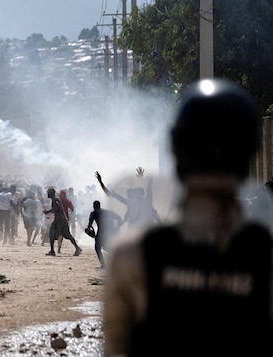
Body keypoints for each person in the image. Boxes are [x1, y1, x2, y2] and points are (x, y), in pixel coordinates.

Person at [103, 78, 273, 357]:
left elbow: (116, 349)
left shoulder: (131, 255)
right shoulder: (265, 256)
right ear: (247, 154)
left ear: (176, 151)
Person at [43, 187, 82, 257]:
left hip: (59, 220)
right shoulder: (55, 199)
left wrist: (48, 211)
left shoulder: (55, 200)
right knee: (67, 235)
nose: (47, 194)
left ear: (51, 193)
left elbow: (57, 207)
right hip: (62, 220)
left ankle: (52, 251)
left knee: (52, 234)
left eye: (48, 193)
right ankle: (77, 248)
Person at [86, 200, 122, 269]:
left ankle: (104, 264)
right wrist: (116, 228)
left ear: (93, 206)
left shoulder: (93, 213)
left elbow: (89, 225)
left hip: (101, 232)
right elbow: (119, 218)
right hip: (108, 232)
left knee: (97, 248)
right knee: (106, 247)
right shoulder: (106, 212)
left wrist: (89, 230)